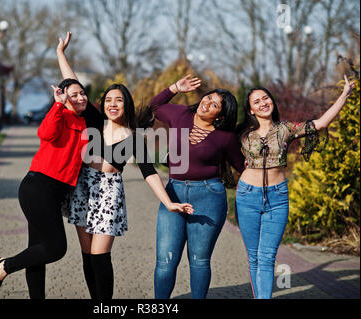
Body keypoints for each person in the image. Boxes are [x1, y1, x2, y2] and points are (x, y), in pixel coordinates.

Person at [56, 32, 194, 299]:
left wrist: (168, 202)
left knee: (100, 256)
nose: (112, 104)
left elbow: (150, 173)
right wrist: (61, 53)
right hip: (83, 189)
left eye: (118, 100)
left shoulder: (133, 137)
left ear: (126, 104)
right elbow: (72, 85)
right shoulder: (94, 120)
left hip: (108, 194)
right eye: (108, 100)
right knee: (87, 257)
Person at [0, 55, 103, 298]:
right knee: (56, 248)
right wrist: (58, 105)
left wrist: (63, 53)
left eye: (83, 93)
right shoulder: (61, 114)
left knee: (37, 251)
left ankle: (20, 280)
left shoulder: (84, 121)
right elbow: (45, 132)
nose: (81, 97)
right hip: (38, 188)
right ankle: (4, 266)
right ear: (64, 98)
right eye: (75, 94)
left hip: (54, 193)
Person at [234, 75, 356, 299]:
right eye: (257, 101)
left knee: (268, 256)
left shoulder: (286, 129)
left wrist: (344, 94)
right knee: (254, 257)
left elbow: (321, 124)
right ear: (250, 110)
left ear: (272, 101)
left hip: (277, 197)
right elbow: (212, 138)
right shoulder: (241, 133)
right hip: (247, 196)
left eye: (266, 98)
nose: (263, 103)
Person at [147, 75, 245, 299]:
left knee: (199, 260)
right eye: (208, 97)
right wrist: (175, 88)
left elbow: (242, 167)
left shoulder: (225, 137)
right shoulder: (181, 115)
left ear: (220, 116)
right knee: (165, 260)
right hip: (173, 192)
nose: (206, 102)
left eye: (214, 104)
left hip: (208, 196)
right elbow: (155, 106)